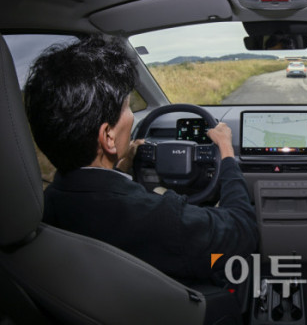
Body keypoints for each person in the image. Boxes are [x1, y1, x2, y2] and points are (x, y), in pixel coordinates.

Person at [24, 36, 258, 285]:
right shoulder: (161, 219)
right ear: (108, 137)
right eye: (128, 107)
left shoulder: (42, 209)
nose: (132, 118)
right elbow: (243, 231)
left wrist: (121, 166)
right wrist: (226, 150)